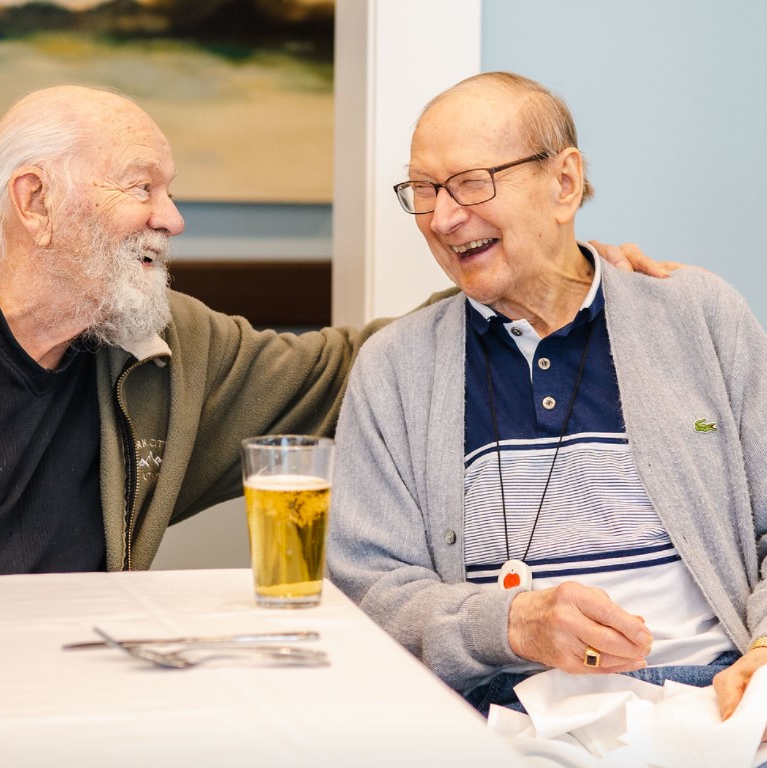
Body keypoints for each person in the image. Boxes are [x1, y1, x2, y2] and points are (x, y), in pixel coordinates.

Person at [0, 84, 657, 581]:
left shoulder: (165, 346)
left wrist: (548, 274)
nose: (171, 218)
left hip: (72, 696)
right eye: (142, 188)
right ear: (34, 202)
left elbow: (348, 371)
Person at [326, 72, 767, 734]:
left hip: (714, 706)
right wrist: (510, 624)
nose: (443, 218)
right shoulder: (395, 368)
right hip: (502, 719)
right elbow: (368, 593)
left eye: (470, 182)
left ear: (563, 184)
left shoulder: (699, 317)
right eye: (423, 190)